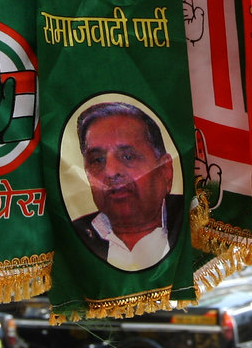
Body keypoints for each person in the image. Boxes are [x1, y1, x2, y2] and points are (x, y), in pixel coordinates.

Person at [68, 101, 177, 271]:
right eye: (98, 160)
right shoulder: (71, 240)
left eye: (128, 157)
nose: (111, 172)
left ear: (165, 171)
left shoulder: (193, 224)